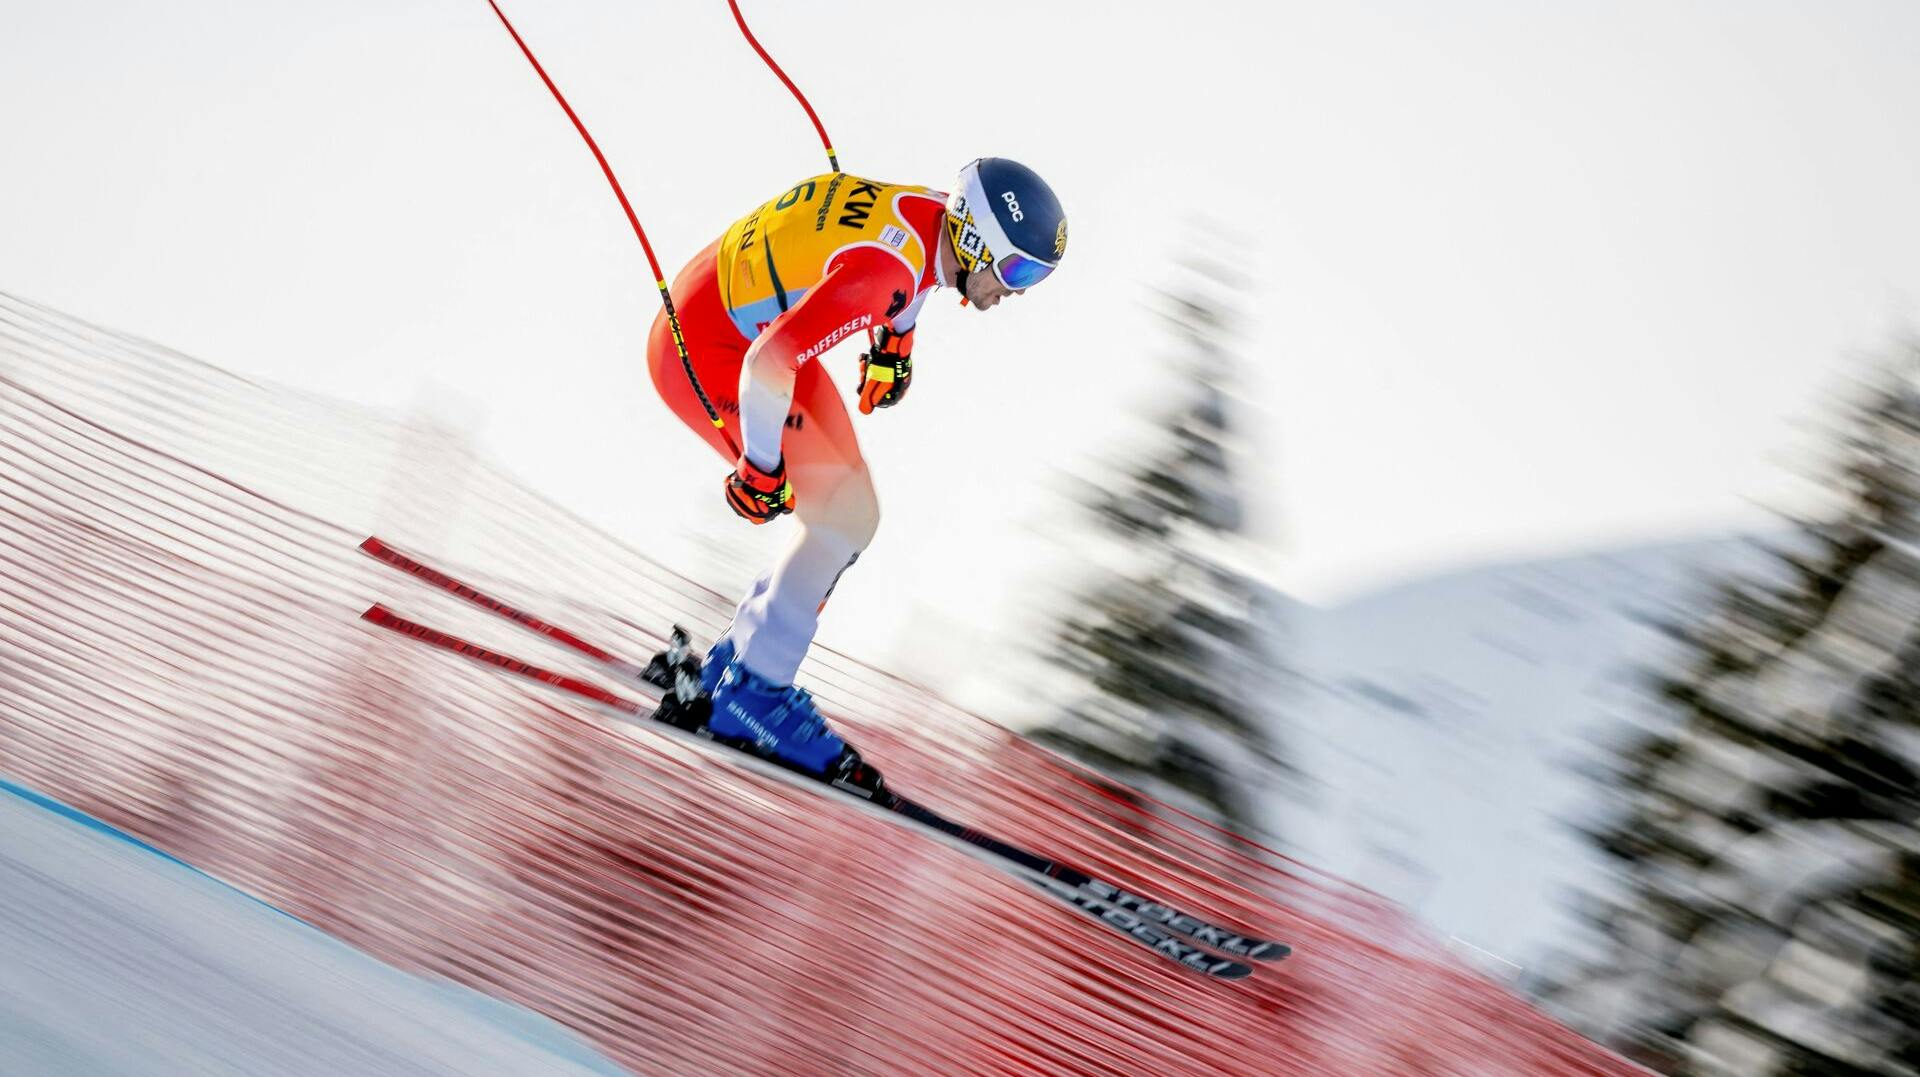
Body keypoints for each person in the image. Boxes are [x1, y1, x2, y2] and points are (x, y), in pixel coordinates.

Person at [646, 157, 1067, 778]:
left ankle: (736, 666)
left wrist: (894, 346)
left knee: (853, 513)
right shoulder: (887, 272)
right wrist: (759, 467)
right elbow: (770, 363)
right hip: (709, 346)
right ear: (977, 240)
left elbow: (909, 275)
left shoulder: (931, 225)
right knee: (839, 517)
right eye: (1018, 269)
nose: (1019, 289)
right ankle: (753, 692)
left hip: (749, 322)